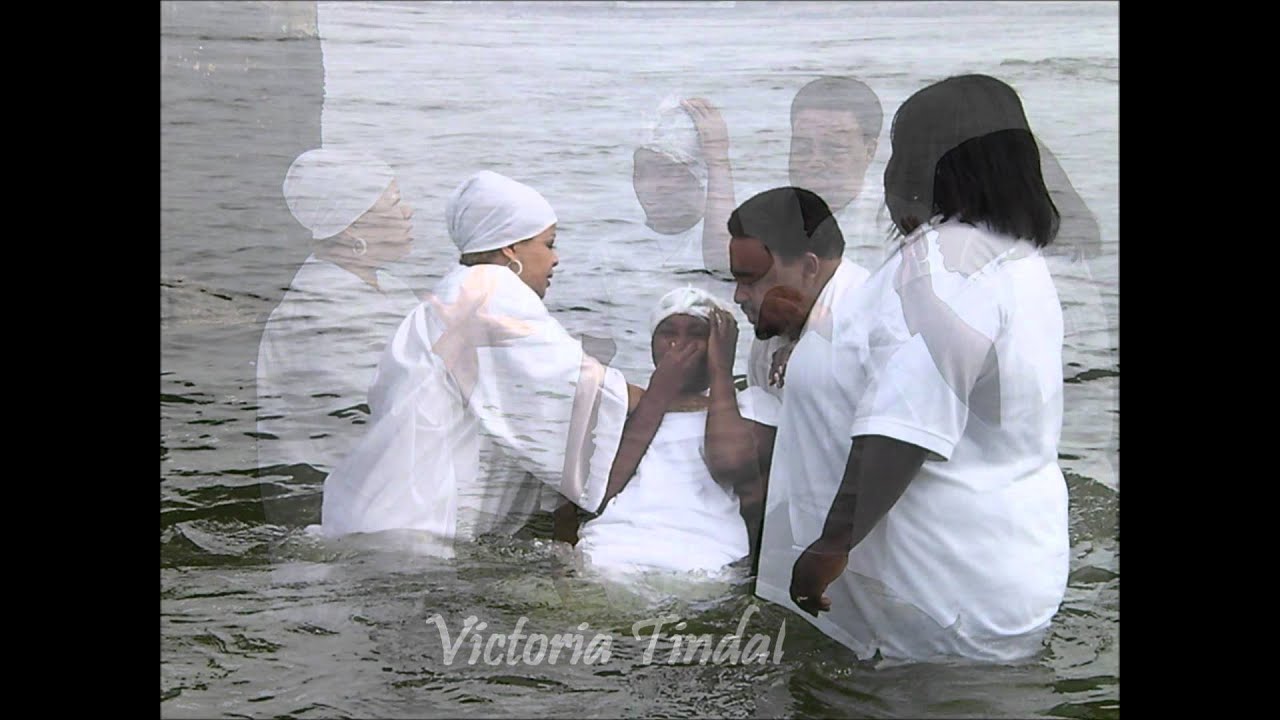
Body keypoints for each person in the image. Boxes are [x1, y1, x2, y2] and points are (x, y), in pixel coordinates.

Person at [755, 74, 1070, 663]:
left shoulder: (947, 267)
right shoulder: (1012, 258)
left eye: (902, 151)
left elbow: (901, 431)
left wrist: (830, 546)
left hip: (934, 598)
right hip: (996, 566)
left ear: (928, 163)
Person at [317, 170, 639, 555]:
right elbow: (578, 385)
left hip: (373, 514)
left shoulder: (445, 297)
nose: (556, 259)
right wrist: (675, 399)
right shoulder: (491, 291)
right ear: (511, 249)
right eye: (548, 244)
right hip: (417, 531)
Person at [569, 287, 779, 576]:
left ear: (722, 346)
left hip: (706, 557)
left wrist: (721, 372)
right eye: (669, 334)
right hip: (613, 549)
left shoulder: (751, 406)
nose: (681, 346)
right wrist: (660, 391)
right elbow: (597, 495)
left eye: (697, 335)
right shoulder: (627, 404)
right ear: (652, 343)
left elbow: (729, 463)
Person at [256, 147, 421, 475]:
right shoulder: (323, 308)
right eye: (394, 202)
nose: (408, 211)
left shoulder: (389, 287)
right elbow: (360, 414)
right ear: (351, 228)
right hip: (339, 490)